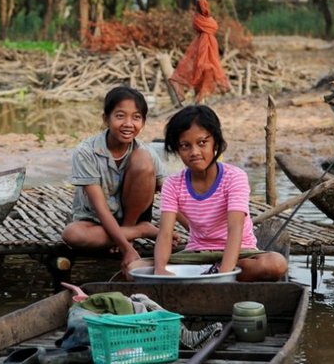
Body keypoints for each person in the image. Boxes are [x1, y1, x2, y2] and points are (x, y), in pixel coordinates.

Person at [152, 105, 287, 281]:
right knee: (134, 267)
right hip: (197, 254)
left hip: (240, 254)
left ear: (215, 142)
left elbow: (235, 229)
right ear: (177, 149)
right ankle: (210, 273)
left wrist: (224, 274)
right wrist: (160, 269)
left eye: (202, 143)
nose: (194, 152)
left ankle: (215, 273)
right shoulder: (172, 183)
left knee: (276, 264)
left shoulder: (234, 177)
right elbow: (165, 233)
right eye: (185, 146)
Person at [62, 86, 169, 276]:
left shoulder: (147, 152)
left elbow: (171, 192)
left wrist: (196, 230)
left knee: (143, 161)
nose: (128, 124)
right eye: (120, 116)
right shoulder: (86, 152)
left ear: (143, 122)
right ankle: (140, 231)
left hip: (131, 217)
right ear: (106, 119)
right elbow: (100, 208)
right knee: (72, 234)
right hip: (95, 221)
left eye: (136, 117)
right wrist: (127, 247)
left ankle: (129, 228)